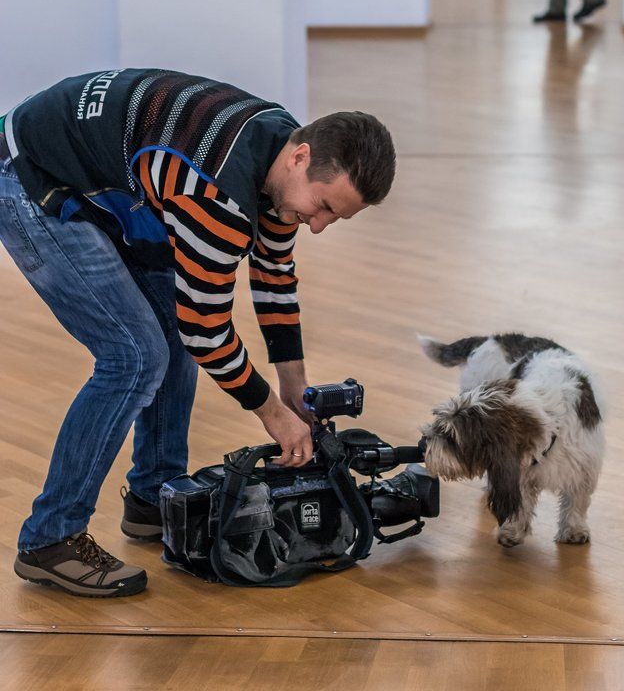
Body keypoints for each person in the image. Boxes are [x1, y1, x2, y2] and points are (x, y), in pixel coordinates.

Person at [0, 69, 395, 598]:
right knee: (136, 355)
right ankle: (52, 538)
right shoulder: (216, 194)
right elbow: (205, 329)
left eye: (334, 219)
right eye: (322, 207)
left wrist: (294, 388)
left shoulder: (279, 162)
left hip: (115, 176)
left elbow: (274, 275)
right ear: (301, 157)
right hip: (30, 176)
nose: (318, 225)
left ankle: (154, 499)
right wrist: (276, 418)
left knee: (166, 335)